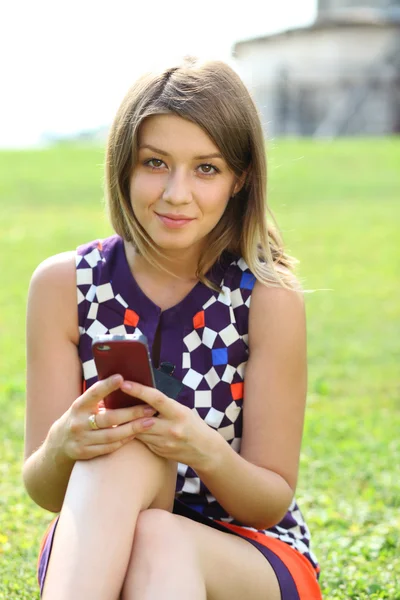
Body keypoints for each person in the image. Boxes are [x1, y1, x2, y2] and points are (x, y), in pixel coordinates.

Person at [23, 56, 322, 600]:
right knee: (123, 447)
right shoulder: (62, 286)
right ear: (123, 167)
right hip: (99, 541)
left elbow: (269, 501)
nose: (176, 193)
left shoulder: (267, 297)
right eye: (155, 163)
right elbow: (44, 489)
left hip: (248, 550)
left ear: (239, 179)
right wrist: (63, 445)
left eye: (206, 168)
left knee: (161, 535)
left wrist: (200, 448)